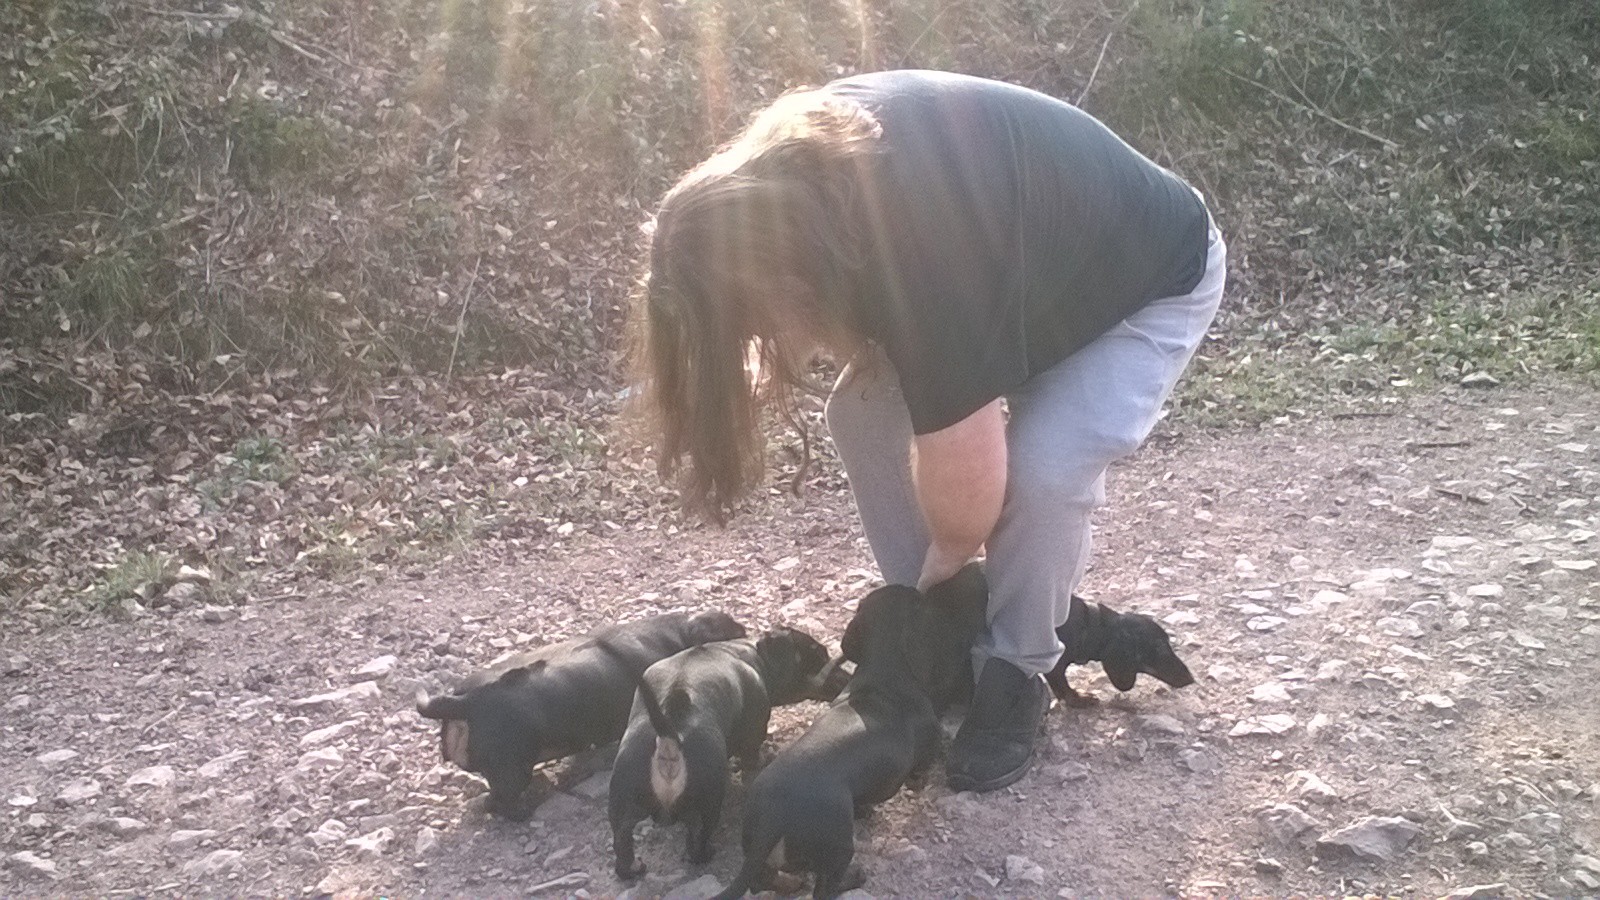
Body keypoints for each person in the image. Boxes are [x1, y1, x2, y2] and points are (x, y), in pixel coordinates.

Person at [630, 69, 1226, 792]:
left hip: (1143, 286)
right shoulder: (799, 188)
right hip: (1026, 284)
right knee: (858, 413)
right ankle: (939, 636)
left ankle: (1017, 667)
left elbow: (969, 505)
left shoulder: (916, 248)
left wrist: (939, 569)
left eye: (752, 317)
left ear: (778, 272)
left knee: (1044, 469)